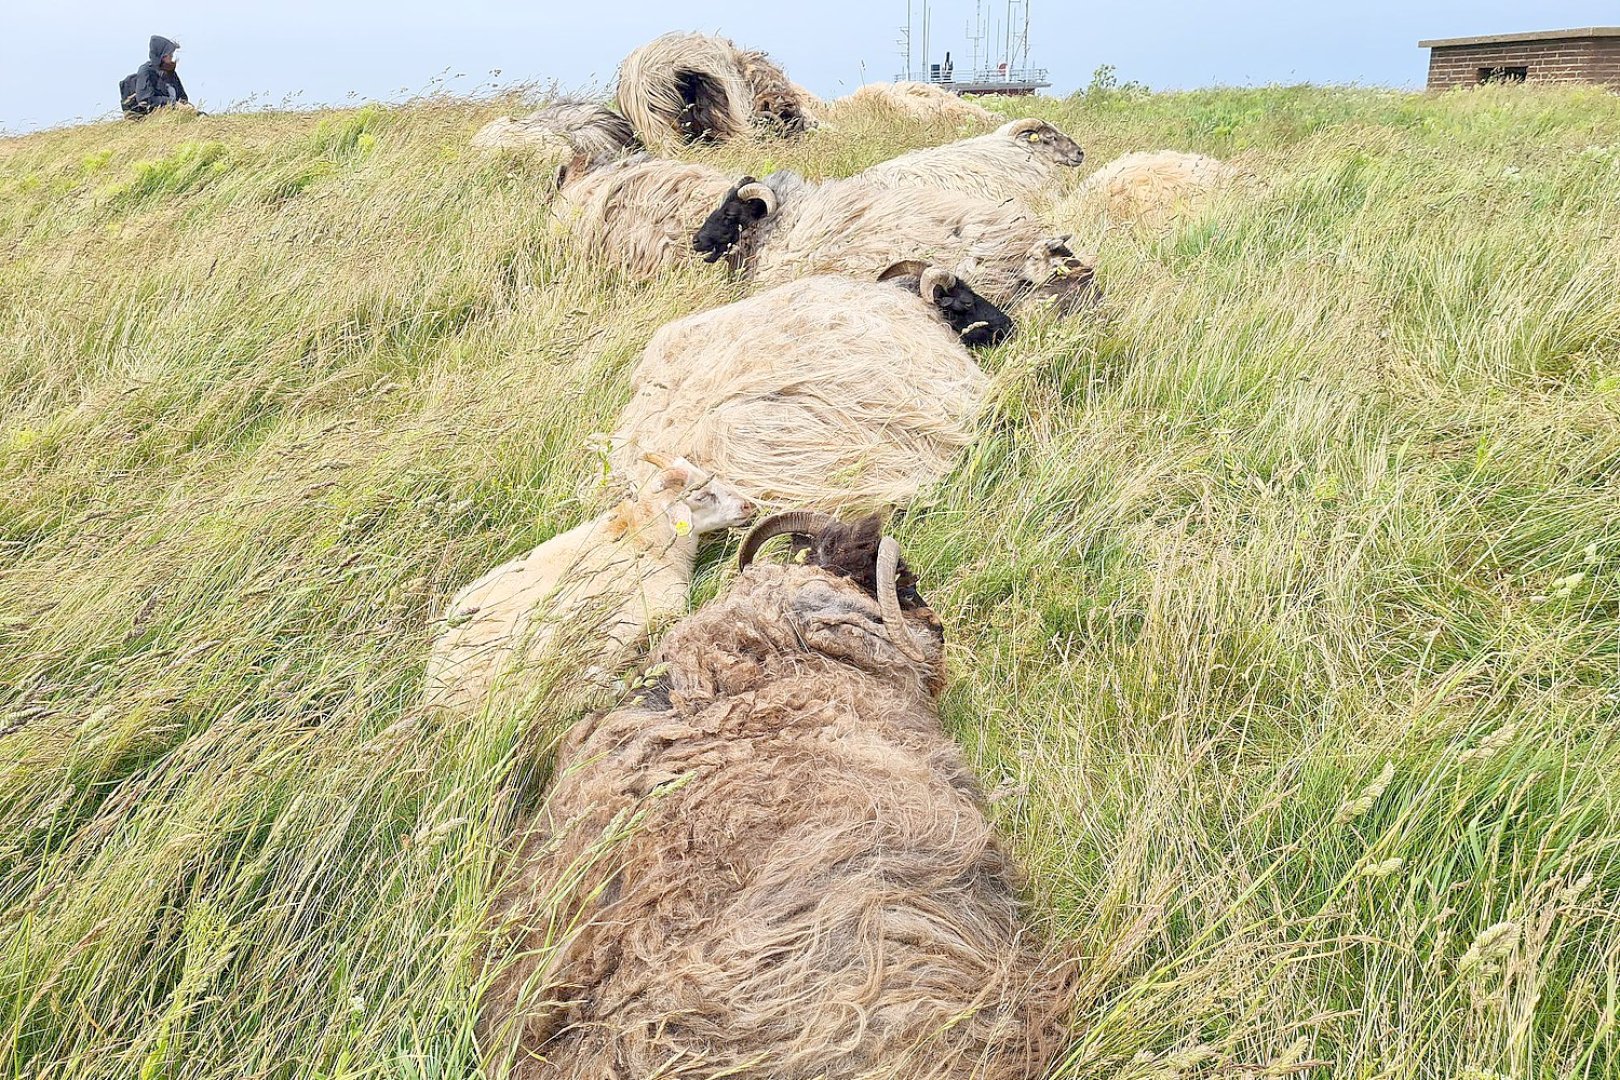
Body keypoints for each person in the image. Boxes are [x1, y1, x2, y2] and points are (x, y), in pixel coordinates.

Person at [121, 36, 189, 117]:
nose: (171, 57)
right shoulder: (146, 71)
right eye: (169, 54)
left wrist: (186, 106)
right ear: (161, 56)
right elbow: (145, 99)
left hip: (174, 114)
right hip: (152, 117)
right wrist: (172, 104)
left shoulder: (171, 73)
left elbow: (182, 96)